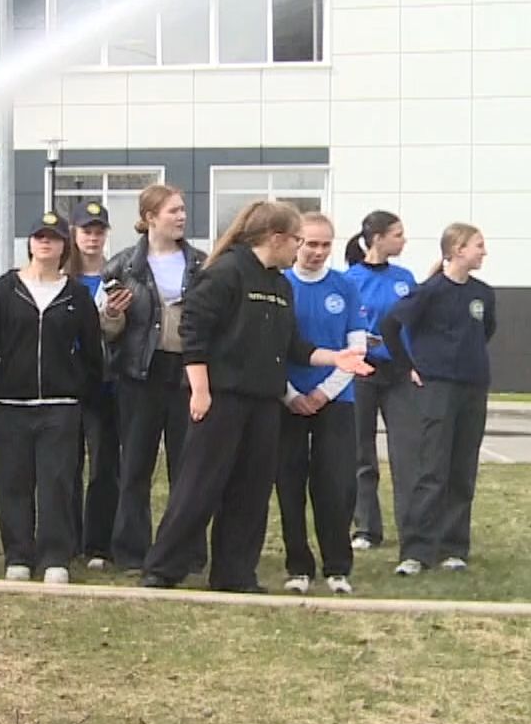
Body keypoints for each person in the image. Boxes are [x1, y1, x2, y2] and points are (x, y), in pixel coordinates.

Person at [139, 202, 370, 592]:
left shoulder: (279, 284)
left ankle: (234, 573)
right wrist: (199, 390)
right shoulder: (227, 272)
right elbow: (193, 332)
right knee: (200, 485)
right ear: (276, 238)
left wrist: (336, 356)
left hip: (264, 402)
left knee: (252, 491)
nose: (299, 249)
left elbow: (294, 346)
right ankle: (163, 568)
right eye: (297, 240)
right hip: (220, 397)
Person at [0, 211, 103, 584]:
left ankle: (55, 555)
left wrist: (80, 387)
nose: (46, 243)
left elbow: (93, 351)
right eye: (39, 236)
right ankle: (19, 555)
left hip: (60, 406)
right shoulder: (2, 291)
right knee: (12, 481)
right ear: (30, 243)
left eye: (54, 238)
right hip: (10, 405)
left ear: (64, 245)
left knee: (57, 482)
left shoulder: (76, 295)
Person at [99, 184, 206, 571]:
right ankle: (130, 551)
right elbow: (107, 332)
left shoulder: (200, 264)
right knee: (135, 468)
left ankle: (186, 551)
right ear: (149, 218)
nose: (181, 216)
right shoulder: (122, 266)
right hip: (139, 374)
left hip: (187, 374)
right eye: (173, 211)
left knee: (188, 468)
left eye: (182, 210)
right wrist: (113, 314)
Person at [381, 223, 494, 577]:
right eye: (478, 245)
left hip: (473, 387)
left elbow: (486, 330)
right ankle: (416, 550)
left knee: (463, 469)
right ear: (458, 249)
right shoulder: (429, 291)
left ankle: (453, 547)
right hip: (437, 388)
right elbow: (390, 325)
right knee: (431, 469)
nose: (483, 252)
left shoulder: (483, 294)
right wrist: (407, 366)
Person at [276, 213, 367, 596]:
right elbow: (267, 349)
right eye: (310, 243)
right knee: (289, 483)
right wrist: (292, 395)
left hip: (336, 400)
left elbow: (356, 348)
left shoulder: (345, 287)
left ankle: (337, 567)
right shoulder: (279, 285)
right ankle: (299, 566)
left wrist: (323, 393)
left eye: (325, 244)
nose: (317, 252)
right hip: (286, 401)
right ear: (296, 242)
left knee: (335, 484)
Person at [343, 210, 416, 552]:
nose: (403, 241)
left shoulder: (405, 278)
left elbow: (415, 323)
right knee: (361, 452)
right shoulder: (350, 279)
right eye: (397, 234)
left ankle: (412, 527)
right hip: (362, 372)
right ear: (377, 238)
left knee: (406, 453)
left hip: (398, 374)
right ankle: (366, 528)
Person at [69, 201, 121, 569]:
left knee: (105, 465)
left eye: (99, 231)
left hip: (107, 383)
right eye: (86, 230)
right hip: (68, 382)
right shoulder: (62, 276)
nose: (92, 237)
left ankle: (100, 544)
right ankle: (68, 538)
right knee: (66, 464)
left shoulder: (117, 277)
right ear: (74, 234)